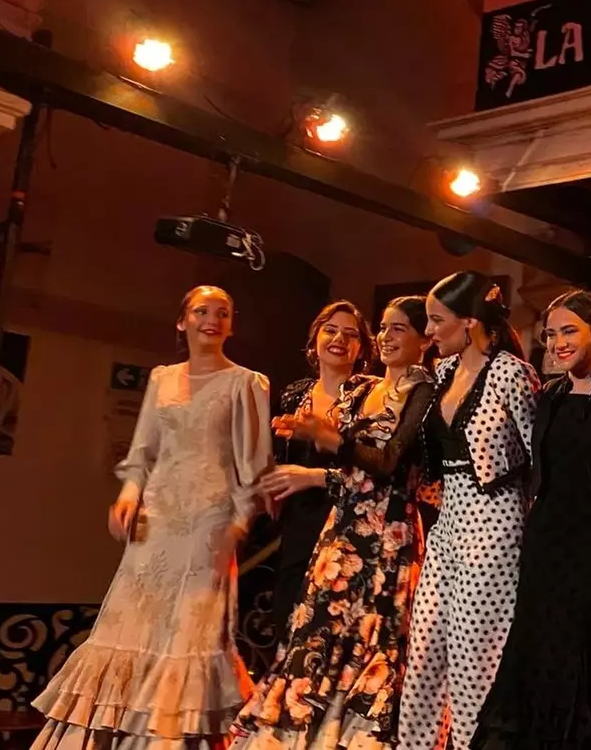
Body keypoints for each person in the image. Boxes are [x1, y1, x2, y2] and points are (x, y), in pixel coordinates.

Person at [32, 285, 273, 750]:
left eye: (222, 312)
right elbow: (142, 452)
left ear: (231, 324)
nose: (212, 319)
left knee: (190, 629)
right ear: (182, 322)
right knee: (132, 624)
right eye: (201, 311)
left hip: (209, 519)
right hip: (157, 517)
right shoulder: (163, 378)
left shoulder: (247, 383)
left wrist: (241, 523)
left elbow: (254, 465)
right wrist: (128, 494)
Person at [230, 296, 435, 750]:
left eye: (399, 328)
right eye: (383, 326)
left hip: (384, 536)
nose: (386, 336)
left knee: (366, 646)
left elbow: (386, 463)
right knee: (313, 638)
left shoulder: (423, 386)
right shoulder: (364, 391)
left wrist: (328, 441)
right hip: (339, 532)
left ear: (426, 338)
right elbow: (344, 462)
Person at [474, 290, 591, 750]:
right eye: (551, 334)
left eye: (569, 331)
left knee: (585, 650)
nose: (557, 343)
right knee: (535, 649)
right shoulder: (549, 395)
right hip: (546, 542)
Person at [398, 272, 539, 750]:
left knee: (472, 658)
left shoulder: (511, 373)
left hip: (494, 519)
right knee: (423, 654)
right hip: (448, 519)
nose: (430, 330)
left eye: (437, 320)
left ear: (470, 320)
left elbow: (539, 460)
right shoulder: (441, 373)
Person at [261, 300, 376, 646]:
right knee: (287, 615)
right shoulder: (296, 393)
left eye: (350, 334)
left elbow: (371, 468)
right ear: (314, 340)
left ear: (361, 349)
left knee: (330, 624)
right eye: (331, 329)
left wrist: (310, 472)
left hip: (344, 517)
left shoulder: (370, 394)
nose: (338, 338)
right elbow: (280, 449)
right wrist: (272, 480)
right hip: (297, 518)